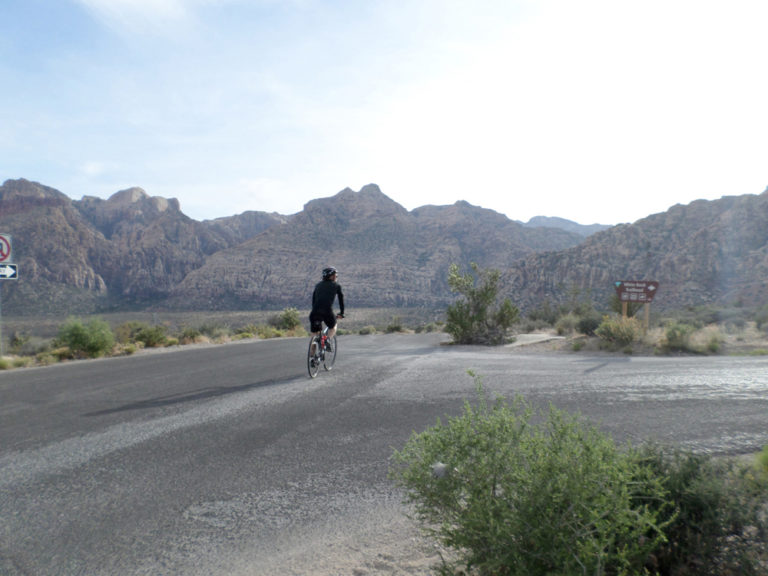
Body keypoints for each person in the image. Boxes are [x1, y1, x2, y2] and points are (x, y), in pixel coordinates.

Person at [309, 266, 344, 355]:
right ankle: (327, 339)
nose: (336, 277)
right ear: (331, 276)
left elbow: (313, 300)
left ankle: (312, 357)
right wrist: (341, 313)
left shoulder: (318, 285)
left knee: (314, 334)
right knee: (333, 326)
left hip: (314, 312)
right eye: (335, 275)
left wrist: (315, 312)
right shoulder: (336, 286)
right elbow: (341, 300)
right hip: (327, 311)